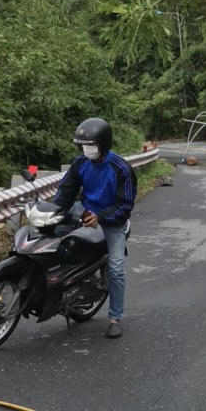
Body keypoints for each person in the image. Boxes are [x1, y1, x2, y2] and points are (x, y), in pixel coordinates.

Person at [52, 117, 136, 338]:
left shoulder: (121, 168)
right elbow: (66, 191)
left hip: (112, 221)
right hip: (84, 212)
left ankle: (115, 317)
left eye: (90, 146)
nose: (86, 150)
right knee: (54, 242)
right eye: (82, 146)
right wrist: (53, 212)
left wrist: (101, 217)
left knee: (116, 269)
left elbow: (125, 205)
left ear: (103, 144)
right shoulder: (80, 163)